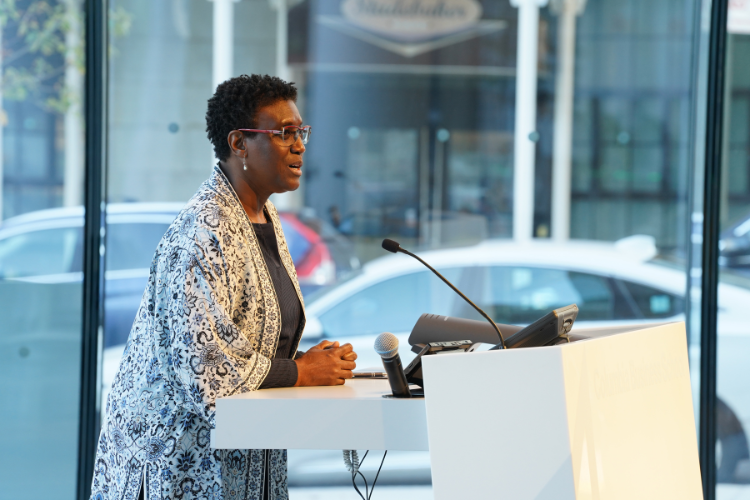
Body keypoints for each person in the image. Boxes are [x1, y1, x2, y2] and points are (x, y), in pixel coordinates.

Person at [90, 74, 358, 500]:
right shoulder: (202, 230)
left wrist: (307, 360)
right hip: (175, 464)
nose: (300, 145)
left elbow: (245, 339)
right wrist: (300, 372)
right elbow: (205, 369)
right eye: (284, 133)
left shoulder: (265, 219)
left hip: (241, 456)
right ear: (239, 144)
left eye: (301, 131)